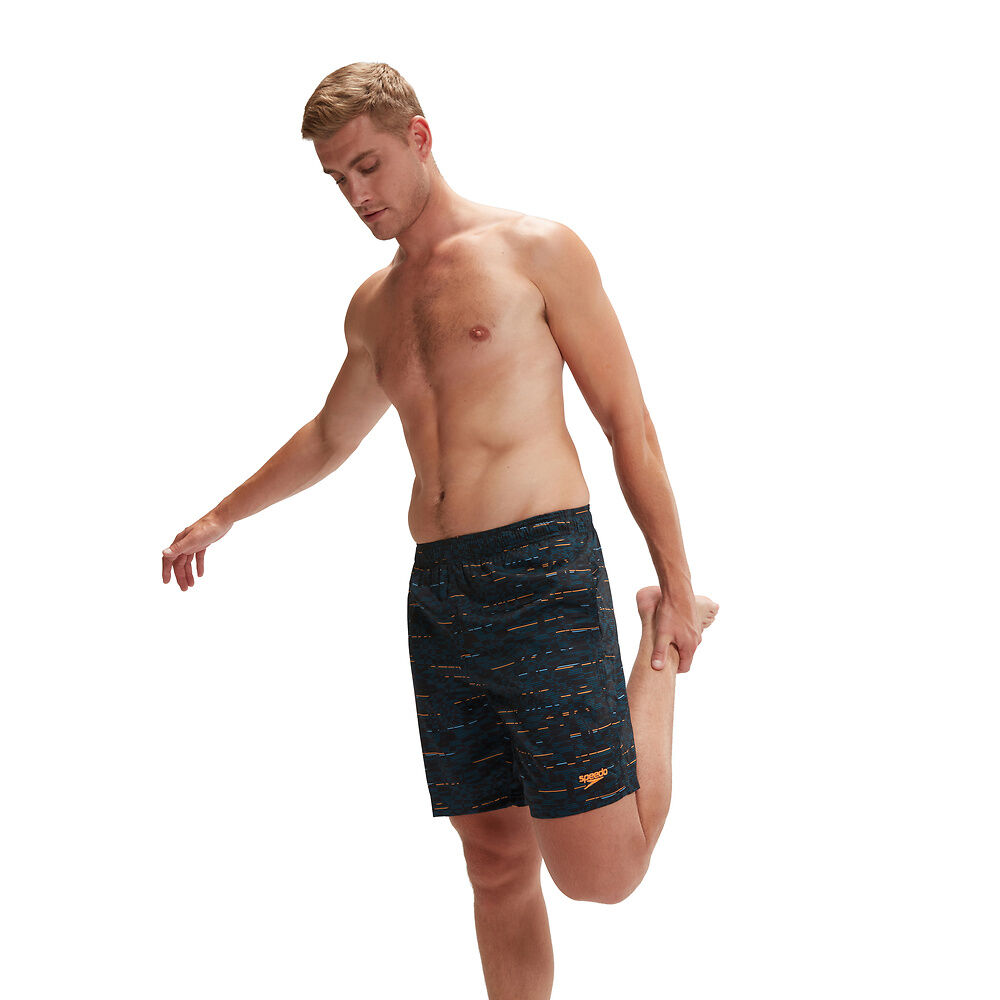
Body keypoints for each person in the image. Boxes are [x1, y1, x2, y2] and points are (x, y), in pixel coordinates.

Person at [161, 61, 719, 1000]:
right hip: (442, 595)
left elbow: (628, 422)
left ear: (419, 138)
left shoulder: (536, 250)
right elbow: (332, 434)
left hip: (542, 571)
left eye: (368, 165)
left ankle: (662, 633)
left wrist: (675, 574)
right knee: (495, 861)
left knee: (603, 876)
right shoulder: (375, 305)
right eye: (337, 178)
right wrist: (224, 513)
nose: (356, 194)